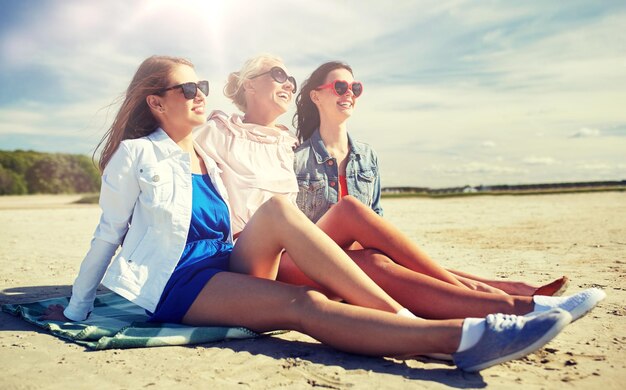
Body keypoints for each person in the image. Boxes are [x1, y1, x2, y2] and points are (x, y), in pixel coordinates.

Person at [39, 55, 575, 372]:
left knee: (278, 211)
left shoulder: (204, 150)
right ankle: (451, 338)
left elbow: (261, 164)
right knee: (305, 302)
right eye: (188, 88)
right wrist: (79, 306)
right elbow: (107, 234)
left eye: (202, 86)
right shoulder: (138, 154)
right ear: (157, 102)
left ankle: (415, 318)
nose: (200, 94)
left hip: (228, 260)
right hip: (179, 282)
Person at [193, 54, 603, 321]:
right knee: (353, 220)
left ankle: (515, 305)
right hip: (250, 254)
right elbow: (178, 173)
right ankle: (515, 302)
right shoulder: (216, 131)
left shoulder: (283, 141)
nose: (287, 83)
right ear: (249, 84)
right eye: (278, 75)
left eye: (290, 77)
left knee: (371, 255)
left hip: (296, 250)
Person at [293, 60, 571, 296]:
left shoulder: (367, 156)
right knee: (391, 263)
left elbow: (375, 216)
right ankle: (491, 293)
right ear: (316, 96)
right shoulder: (297, 158)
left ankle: (511, 288)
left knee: (401, 263)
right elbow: (292, 228)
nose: (349, 93)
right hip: (322, 260)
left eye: (355, 88)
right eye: (340, 87)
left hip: (363, 254)